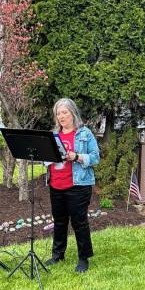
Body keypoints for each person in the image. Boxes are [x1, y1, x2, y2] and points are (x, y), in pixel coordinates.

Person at [45, 98, 100, 273]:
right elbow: (47, 158)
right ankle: (57, 255)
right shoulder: (53, 135)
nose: (61, 116)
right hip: (56, 184)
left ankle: (83, 258)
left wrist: (76, 156)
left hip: (78, 185)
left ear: (72, 113)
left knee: (79, 222)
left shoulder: (84, 133)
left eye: (64, 112)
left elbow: (95, 157)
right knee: (59, 222)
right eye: (58, 113)